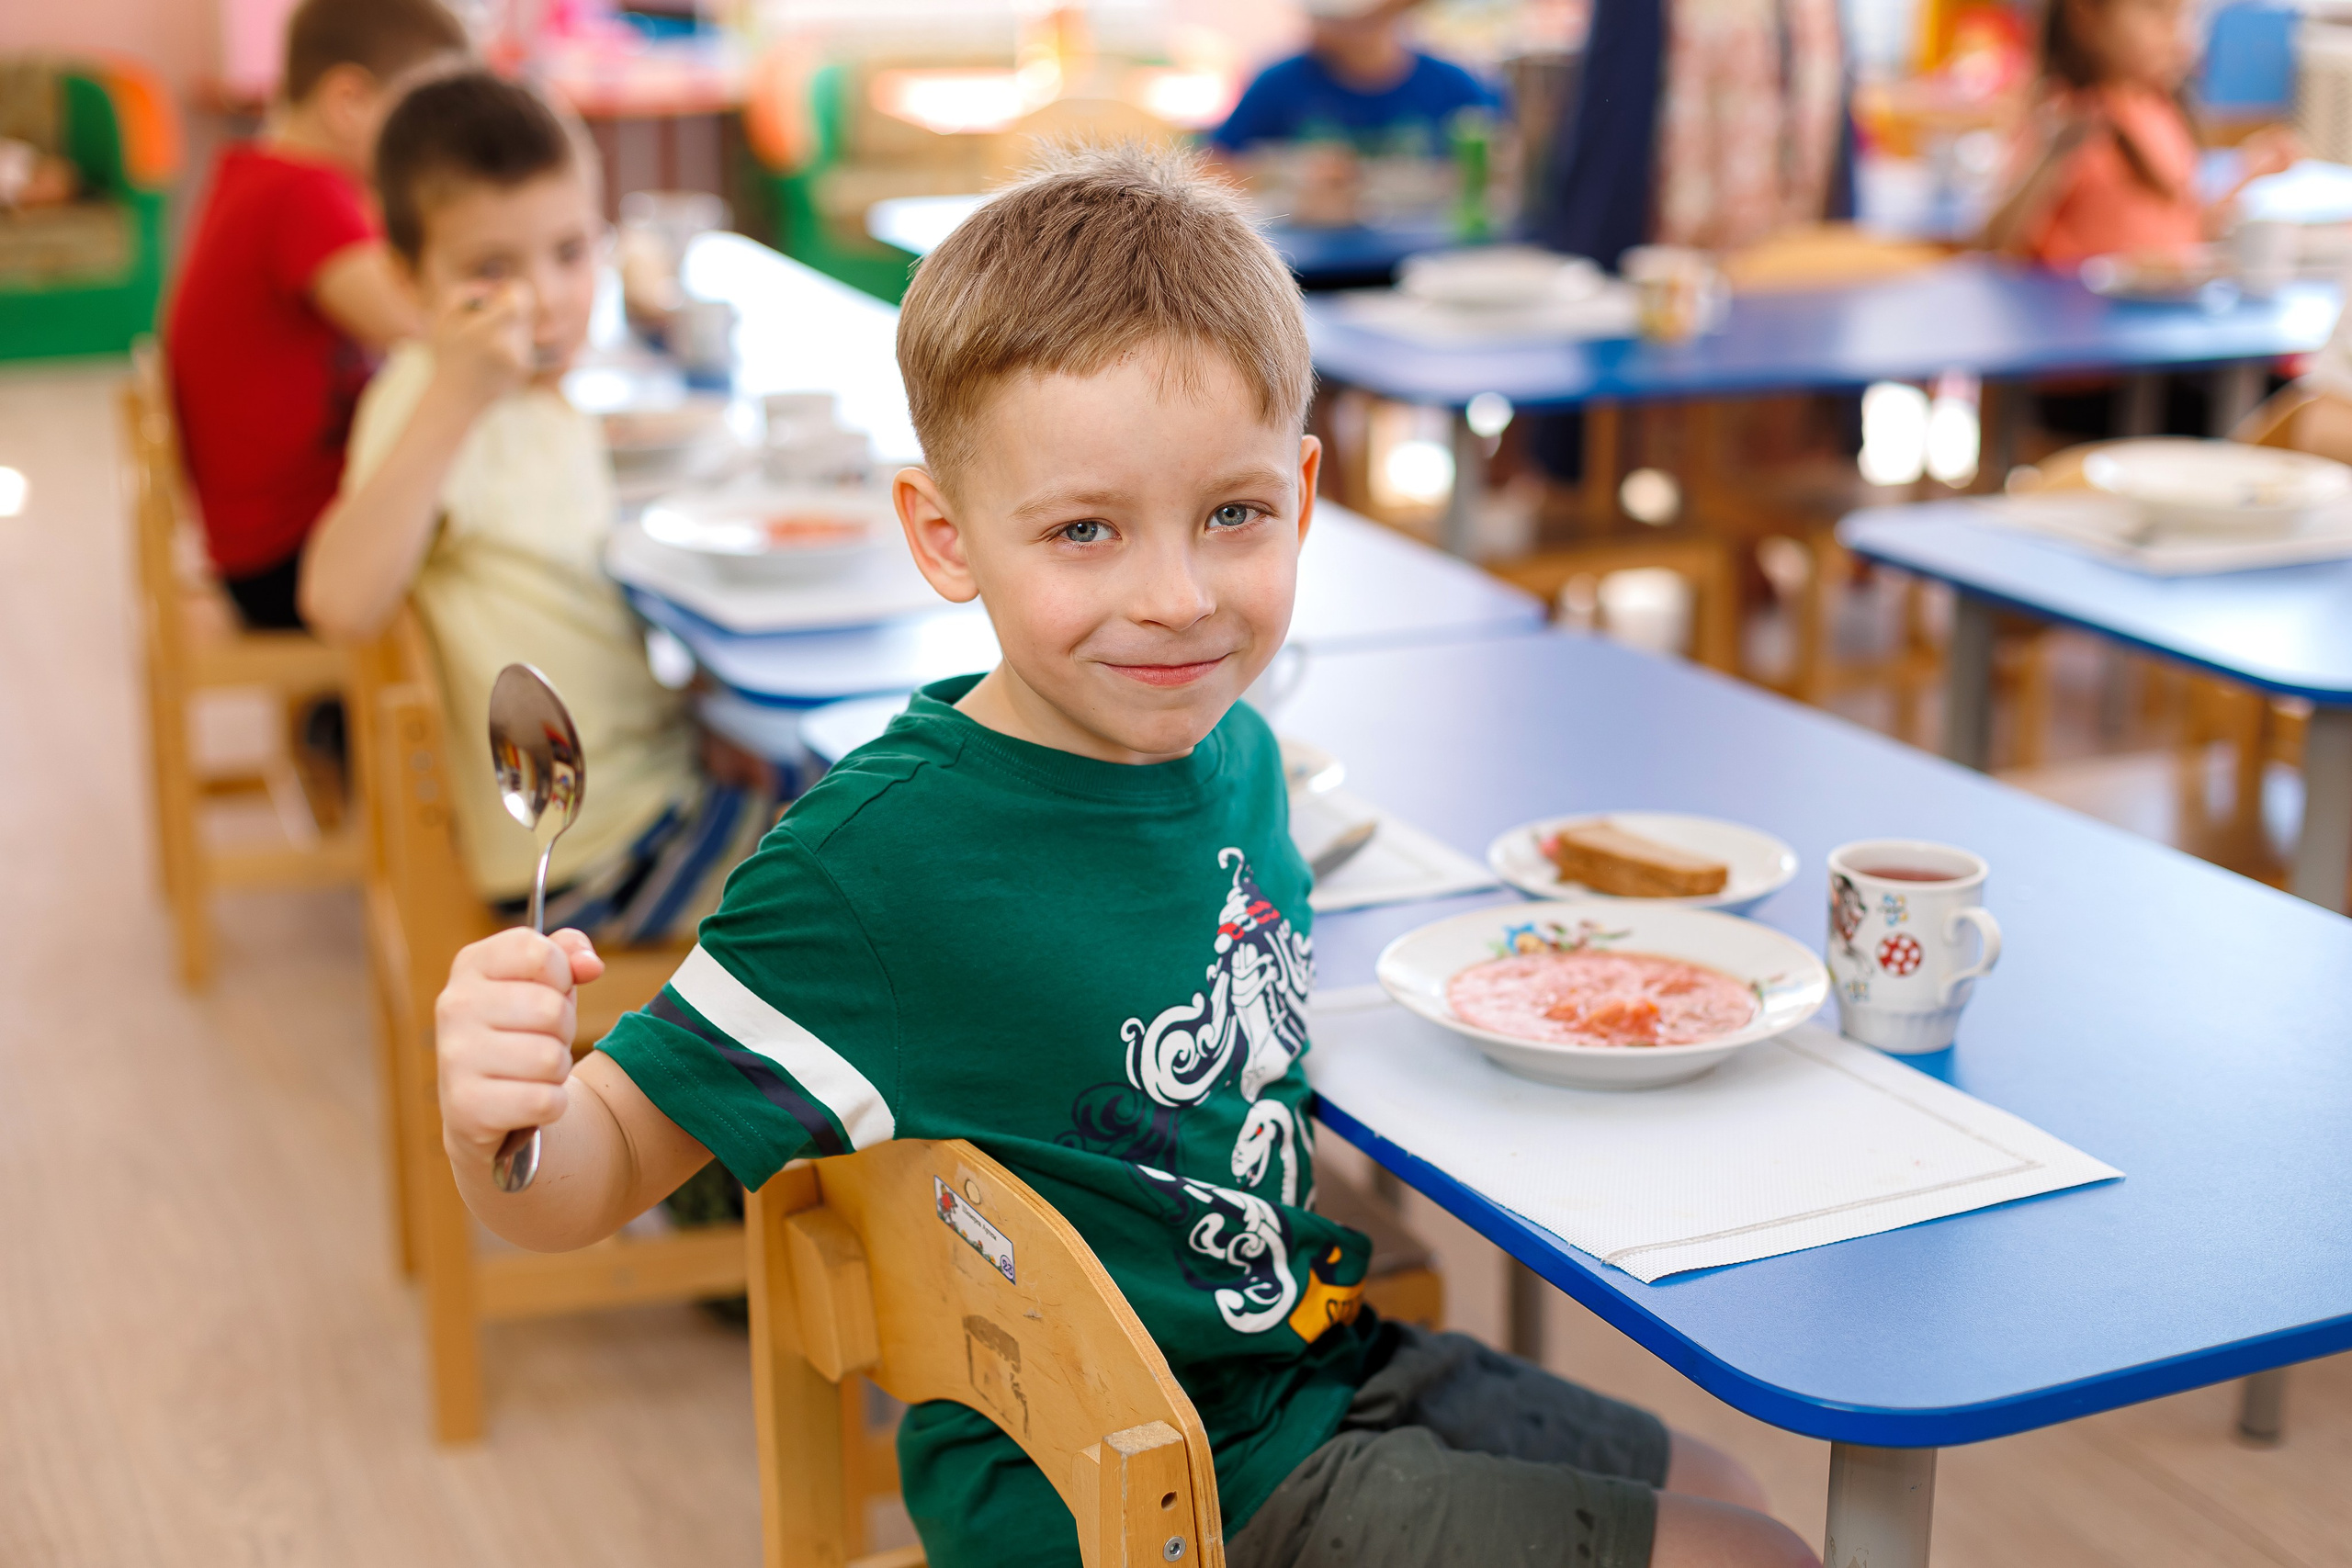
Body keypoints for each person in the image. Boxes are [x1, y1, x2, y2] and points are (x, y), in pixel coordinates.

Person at [427, 142, 1817, 1568]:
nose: (1175, 597)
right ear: (944, 534)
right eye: (1084, 530)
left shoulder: (1240, 752)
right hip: (1119, 1478)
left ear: (1305, 488)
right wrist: (503, 1121)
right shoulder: (878, 861)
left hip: (1306, 1364)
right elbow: (584, 1179)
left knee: (1737, 1488)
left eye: (1233, 513)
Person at [300, 71, 771, 944]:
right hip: (592, 861)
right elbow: (337, 601)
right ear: (408, 281)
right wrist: (454, 396)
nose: (546, 296)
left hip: (646, 795)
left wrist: (692, 720)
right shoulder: (434, 403)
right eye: (490, 270)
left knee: (848, 788)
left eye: (569, 252)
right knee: (876, 859)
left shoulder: (538, 400)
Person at [165, 0, 468, 631]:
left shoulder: (264, 174)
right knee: (478, 547)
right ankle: (391, 713)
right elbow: (423, 327)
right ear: (349, 101)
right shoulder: (302, 195)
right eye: (422, 124)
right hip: (286, 561)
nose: (436, 153)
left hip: (256, 545)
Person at [1982, 0, 2297, 266]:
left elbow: (2184, 229)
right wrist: (2050, 158)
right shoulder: (2062, 112)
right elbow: (1992, 243)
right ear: (2087, 12)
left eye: (2180, 17)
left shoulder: (2161, 110)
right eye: (2157, 12)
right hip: (2081, 330)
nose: (2177, 35)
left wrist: (2247, 173)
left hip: (2160, 325)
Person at [1208, 0, 1502, 162]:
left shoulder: (1451, 83)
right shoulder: (1279, 83)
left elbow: (1503, 158)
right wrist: (1285, 178)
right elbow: (1211, 167)